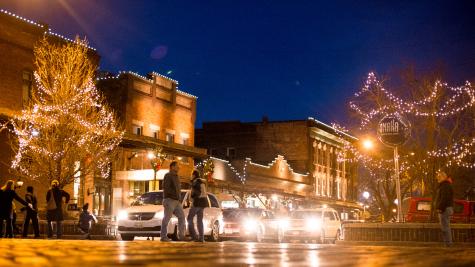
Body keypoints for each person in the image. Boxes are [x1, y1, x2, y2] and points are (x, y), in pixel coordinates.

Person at [160, 161, 186, 242]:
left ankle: (181, 236)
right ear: (172, 167)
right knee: (166, 218)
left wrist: (179, 198)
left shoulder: (177, 176)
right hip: (169, 200)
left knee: (182, 217)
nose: (179, 167)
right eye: (177, 166)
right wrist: (173, 195)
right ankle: (163, 236)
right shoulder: (168, 175)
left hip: (177, 201)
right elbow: (166, 188)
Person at [187, 170, 209, 242]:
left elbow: (196, 193)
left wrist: (192, 198)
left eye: (191, 174)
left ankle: (194, 236)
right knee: (199, 221)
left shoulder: (196, 181)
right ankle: (201, 238)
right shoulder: (201, 182)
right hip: (203, 203)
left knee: (189, 218)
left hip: (197, 202)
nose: (191, 176)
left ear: (194, 175)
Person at [435, 170, 454, 247]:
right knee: (446, 226)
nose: (438, 178)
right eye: (437, 177)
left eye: (439, 177)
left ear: (444, 177)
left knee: (445, 227)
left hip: (444, 209)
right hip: (447, 208)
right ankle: (448, 243)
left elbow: (444, 198)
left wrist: (440, 208)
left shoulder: (444, 186)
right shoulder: (446, 185)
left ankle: (448, 244)